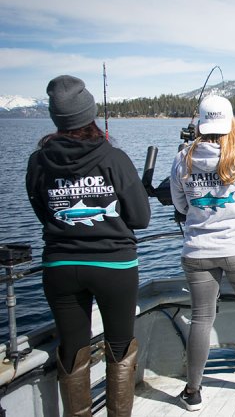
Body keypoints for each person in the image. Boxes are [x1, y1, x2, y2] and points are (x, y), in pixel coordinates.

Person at [26, 75, 151, 417]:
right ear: (90, 113)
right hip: (114, 267)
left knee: (72, 350)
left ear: (57, 117)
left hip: (60, 267)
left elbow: (43, 213)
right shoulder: (113, 157)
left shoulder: (38, 162)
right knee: (120, 347)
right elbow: (141, 217)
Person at [170, 96, 235, 411]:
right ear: (229, 124)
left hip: (198, 251)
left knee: (201, 317)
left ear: (201, 124)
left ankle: (194, 391)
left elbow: (180, 206)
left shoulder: (182, 159)